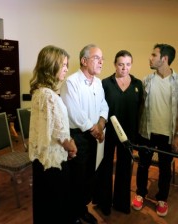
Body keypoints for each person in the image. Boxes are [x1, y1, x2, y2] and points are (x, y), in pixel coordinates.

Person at [132, 43, 178, 217]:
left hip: (168, 135)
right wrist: (137, 132)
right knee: (143, 166)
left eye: (153, 55)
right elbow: (141, 107)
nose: (150, 58)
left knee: (165, 169)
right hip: (147, 132)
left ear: (164, 59)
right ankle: (140, 194)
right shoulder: (146, 81)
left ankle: (162, 199)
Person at [60, 44, 109, 224]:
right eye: (97, 58)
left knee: (88, 177)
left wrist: (102, 123)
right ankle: (72, 216)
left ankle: (82, 210)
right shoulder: (71, 82)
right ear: (84, 60)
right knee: (76, 179)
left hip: (94, 136)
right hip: (78, 136)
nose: (101, 62)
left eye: (102, 59)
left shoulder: (98, 82)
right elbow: (75, 112)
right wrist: (95, 129)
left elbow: (104, 105)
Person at [29, 45, 77, 224]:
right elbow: (61, 134)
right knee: (56, 207)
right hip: (53, 163)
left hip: (41, 160)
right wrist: (71, 148)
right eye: (63, 64)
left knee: (45, 207)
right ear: (51, 65)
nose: (66, 68)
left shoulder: (38, 92)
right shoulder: (50, 96)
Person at [94, 50, 143, 216]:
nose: (124, 68)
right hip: (108, 134)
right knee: (105, 167)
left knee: (125, 169)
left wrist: (137, 136)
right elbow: (99, 108)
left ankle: (122, 203)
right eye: (121, 64)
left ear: (131, 65)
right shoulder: (105, 83)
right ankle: (104, 203)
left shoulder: (138, 84)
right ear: (115, 64)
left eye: (128, 64)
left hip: (127, 135)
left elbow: (140, 110)